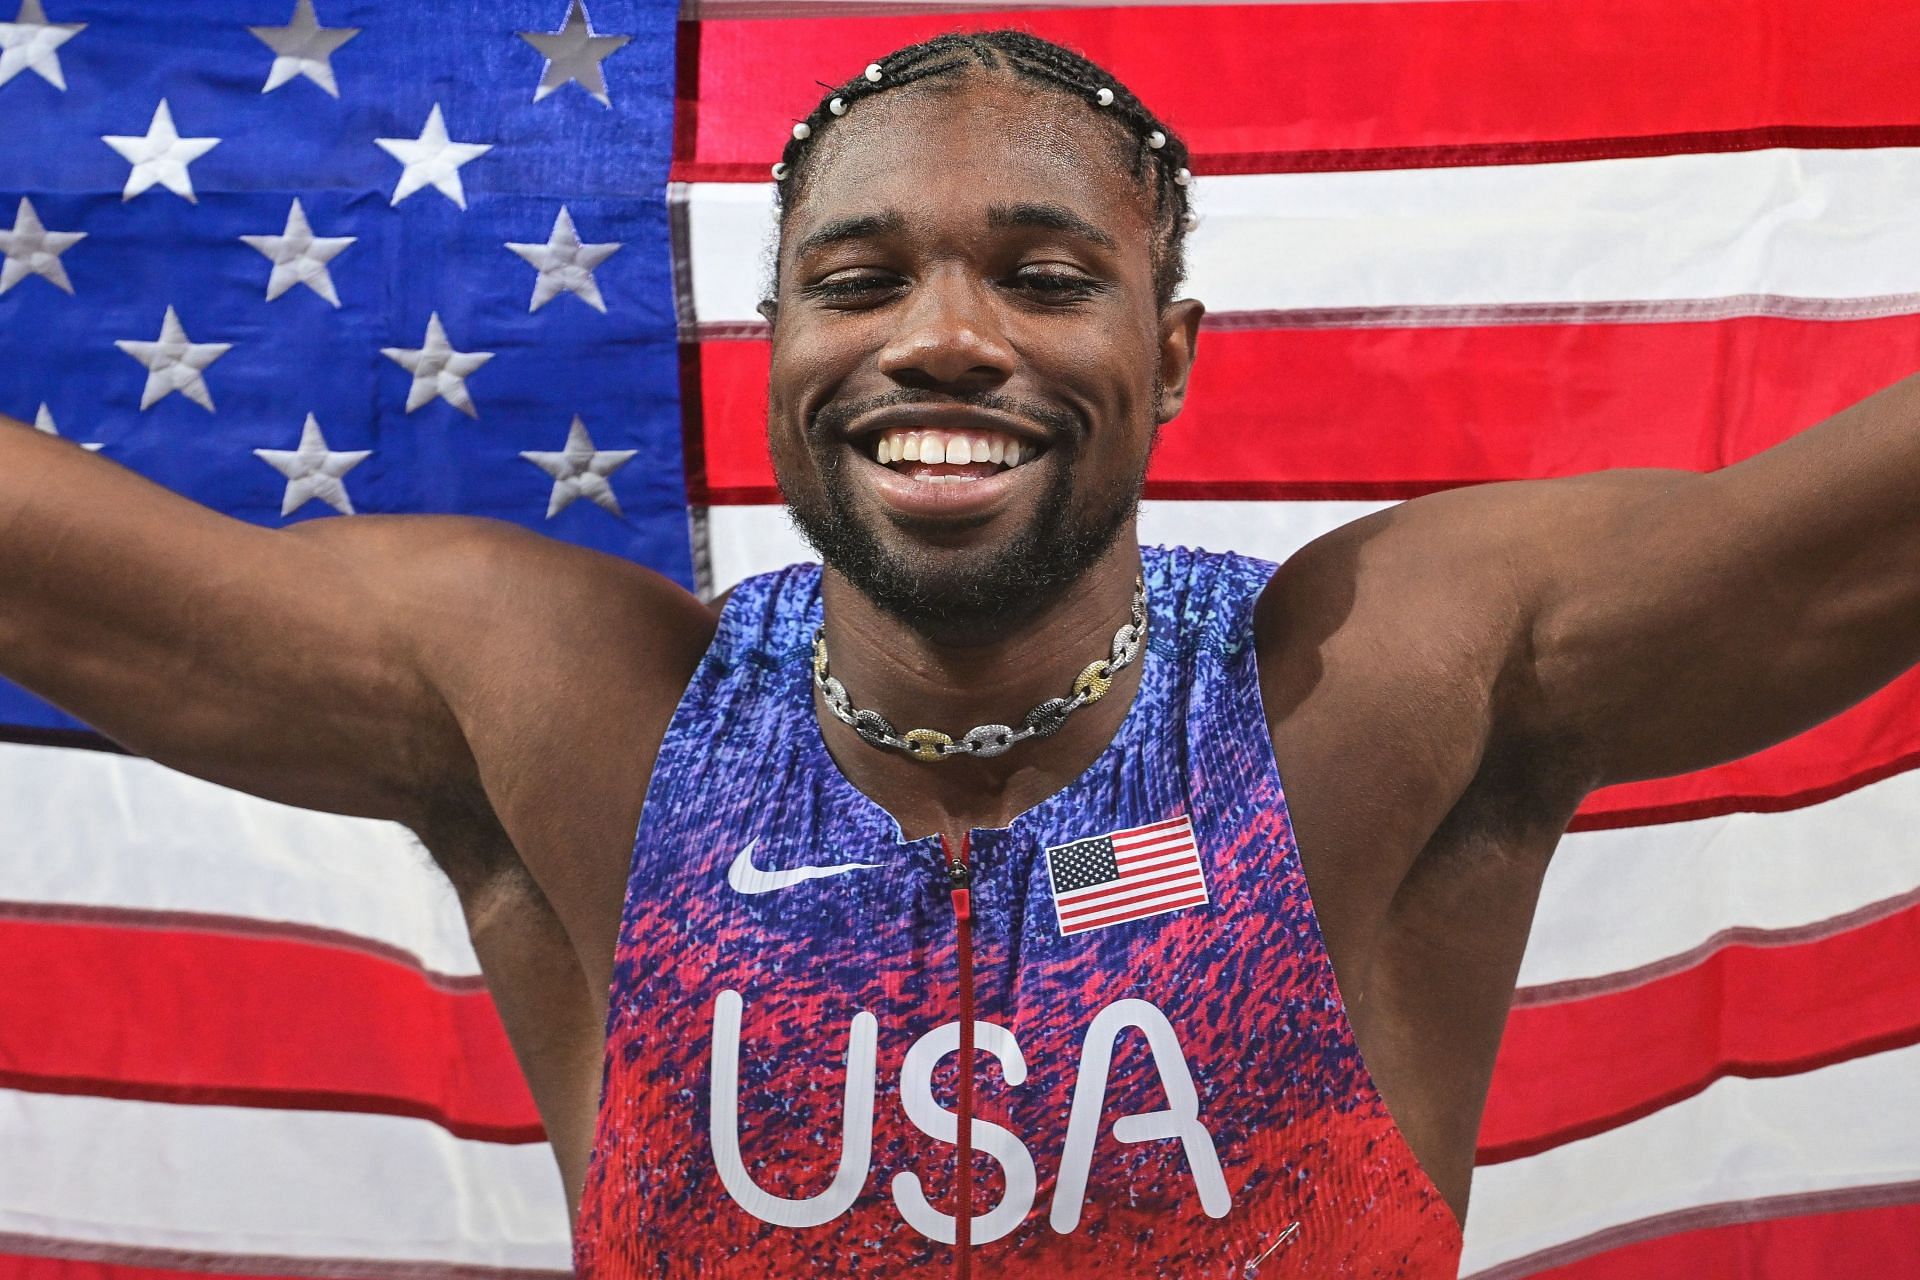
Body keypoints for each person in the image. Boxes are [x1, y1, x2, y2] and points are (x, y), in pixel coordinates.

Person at [4, 26, 1919, 1279]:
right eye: (856, 282)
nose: (941, 338)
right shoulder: (570, 708)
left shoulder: (1376, 686)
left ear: (1169, 355)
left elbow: (1848, 540)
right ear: (778, 348)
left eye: (1045, 275)